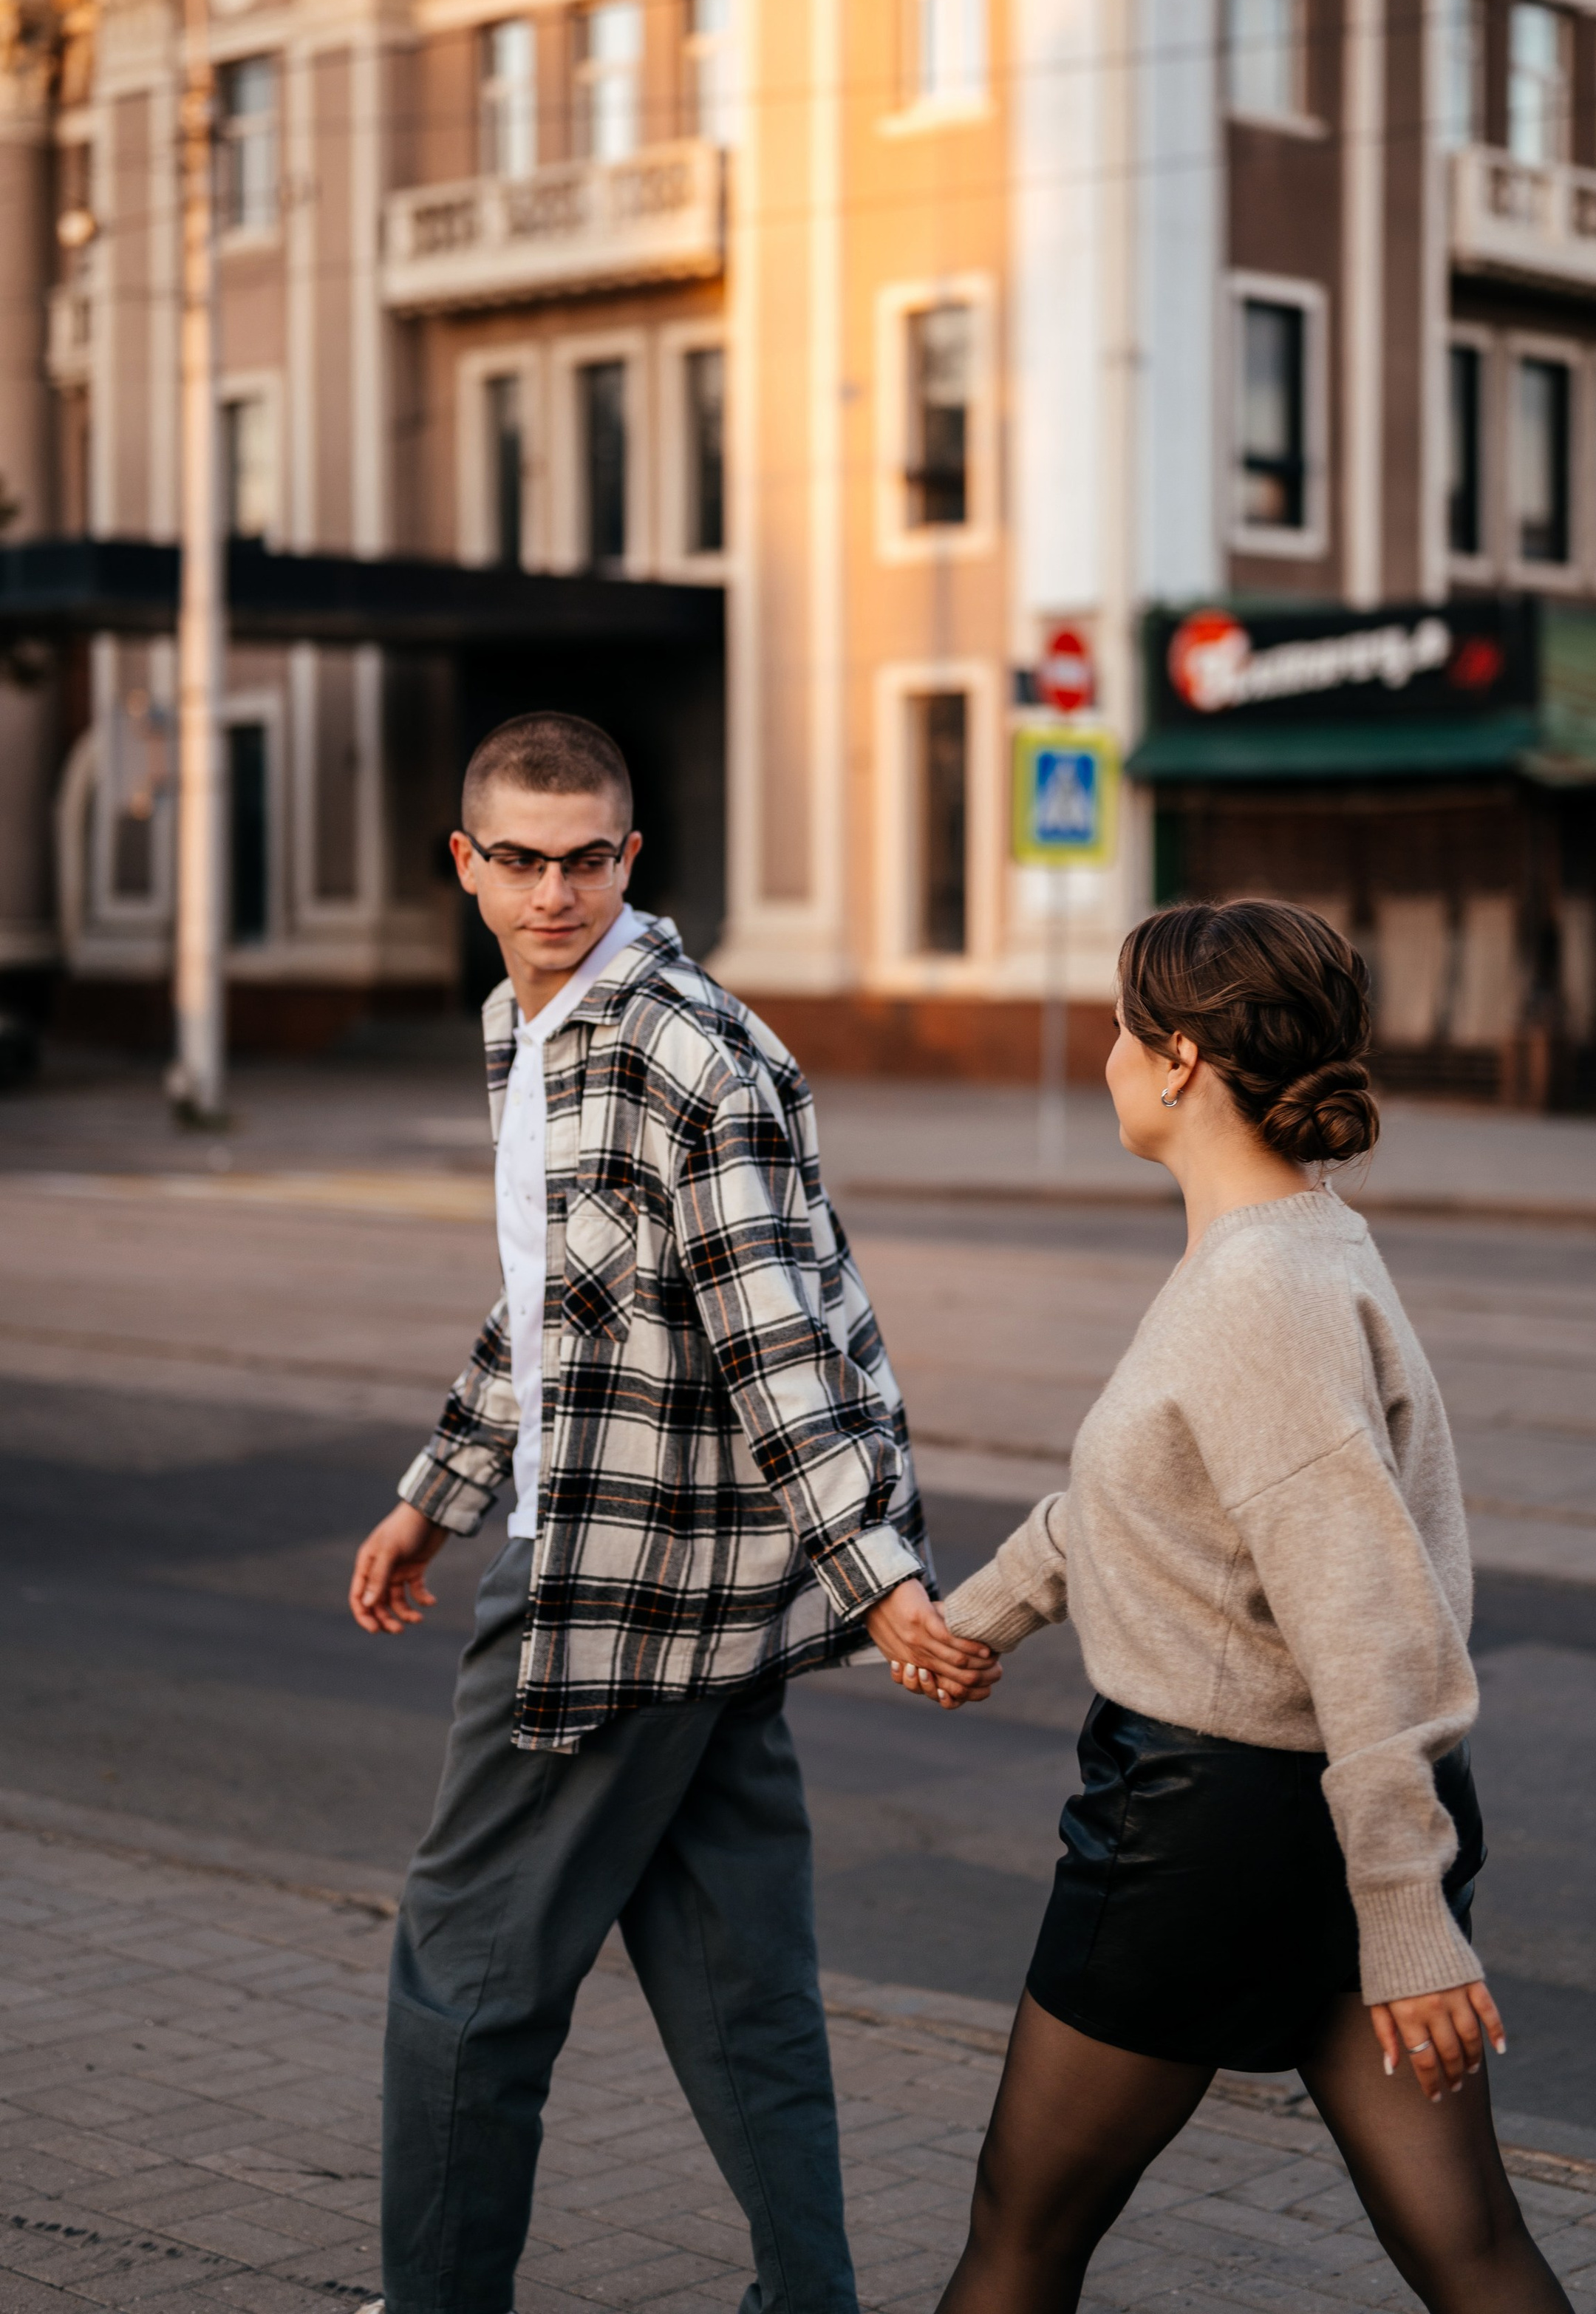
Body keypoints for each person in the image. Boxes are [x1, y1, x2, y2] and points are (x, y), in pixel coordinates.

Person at [347, 710, 990, 2314]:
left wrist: (880, 1580)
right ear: (467, 865)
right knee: (739, 1991)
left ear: (630, 858)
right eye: (520, 862)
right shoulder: (534, 1022)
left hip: (616, 1588)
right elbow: (553, 1302)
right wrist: (442, 1488)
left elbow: (776, 1335)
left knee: (462, 1979)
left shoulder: (682, 1046)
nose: (553, 892)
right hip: (689, 1592)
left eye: (585, 861)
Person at [899, 898, 1572, 2314]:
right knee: (1471, 2247)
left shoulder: (1257, 1296)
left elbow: (1366, 1609)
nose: (1105, 1056)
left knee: (1019, 2237)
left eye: (1124, 1028)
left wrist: (1401, 1911)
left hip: (1212, 1830)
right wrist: (988, 1613)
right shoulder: (1298, 1246)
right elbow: (1162, 1508)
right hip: (1342, 1809)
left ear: (1182, 1061)